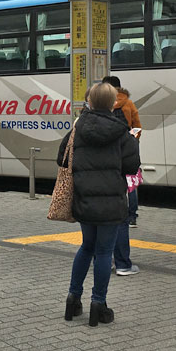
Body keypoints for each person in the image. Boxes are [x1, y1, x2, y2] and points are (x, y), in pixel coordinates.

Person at [60, 82, 140, 327]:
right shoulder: (122, 132)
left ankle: (73, 299)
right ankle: (98, 304)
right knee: (104, 252)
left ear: (90, 102)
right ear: (113, 103)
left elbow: (61, 159)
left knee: (86, 247)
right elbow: (130, 166)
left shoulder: (77, 128)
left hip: (84, 197)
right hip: (111, 200)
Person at [103, 75, 142, 230]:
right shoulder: (129, 103)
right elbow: (137, 126)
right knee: (131, 181)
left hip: (111, 147)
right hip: (128, 145)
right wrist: (133, 141)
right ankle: (132, 216)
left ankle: (114, 213)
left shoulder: (105, 104)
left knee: (113, 179)